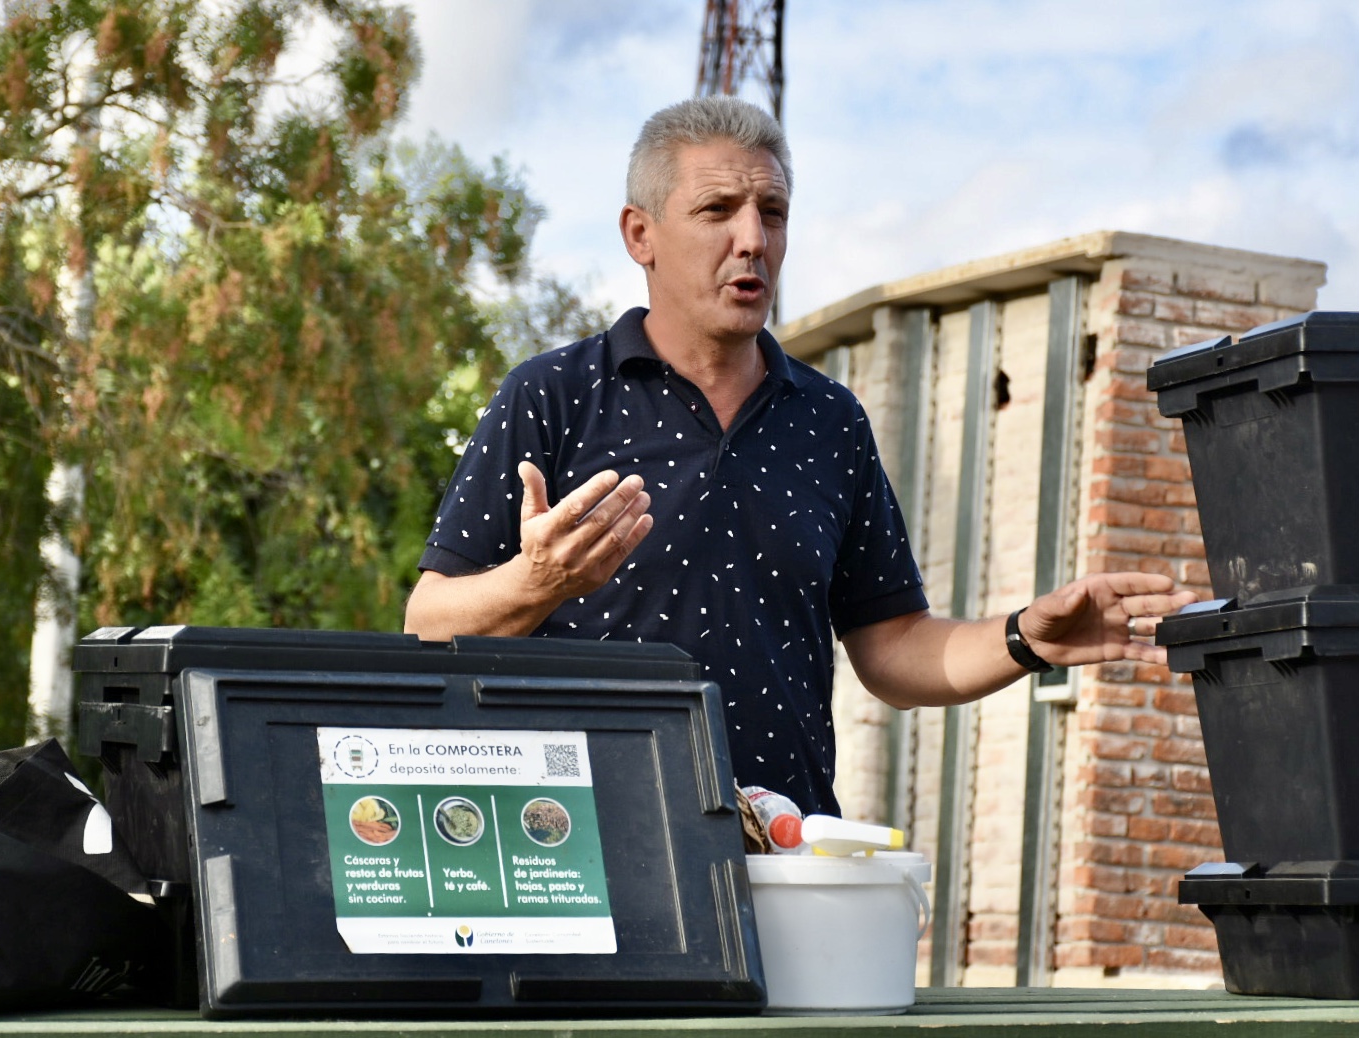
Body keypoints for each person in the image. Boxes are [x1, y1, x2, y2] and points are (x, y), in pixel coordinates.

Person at [404, 96, 1195, 816]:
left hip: (783, 850)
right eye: (718, 209)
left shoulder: (829, 419)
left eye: (772, 212)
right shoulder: (554, 394)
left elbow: (891, 646)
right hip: (578, 842)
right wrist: (535, 582)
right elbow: (428, 621)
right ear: (639, 234)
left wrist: (1024, 638)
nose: (753, 239)